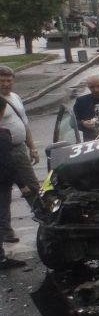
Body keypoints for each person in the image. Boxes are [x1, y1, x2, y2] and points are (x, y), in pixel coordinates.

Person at [0, 65, 43, 269]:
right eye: (2, 80)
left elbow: (24, 124)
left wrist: (32, 147)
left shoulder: (15, 98)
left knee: (32, 188)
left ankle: (43, 223)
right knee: (13, 192)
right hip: (4, 152)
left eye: (9, 80)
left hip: (18, 149)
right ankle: (44, 224)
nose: (6, 84)